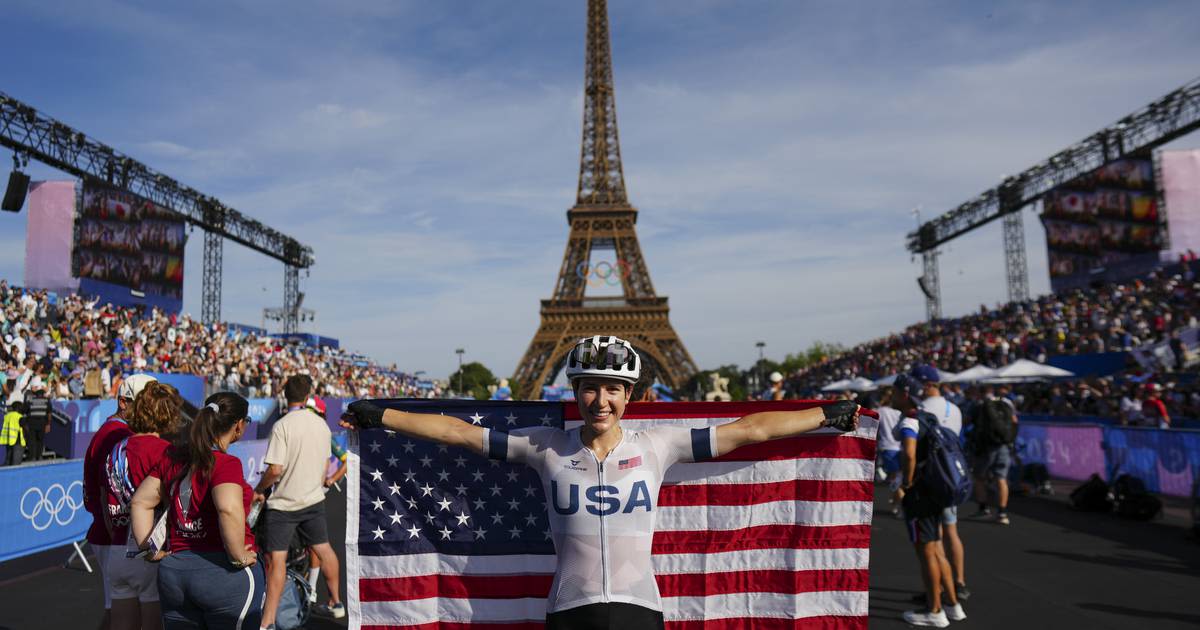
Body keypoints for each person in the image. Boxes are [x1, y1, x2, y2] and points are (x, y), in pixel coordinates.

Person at [341, 335, 863, 629]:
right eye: (590, 390)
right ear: (576, 392)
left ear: (628, 396)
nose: (601, 401)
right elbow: (458, 433)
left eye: (613, 390)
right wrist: (380, 414)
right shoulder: (545, 446)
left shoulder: (658, 446)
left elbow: (748, 430)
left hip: (641, 613)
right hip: (570, 612)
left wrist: (825, 414)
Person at [129, 392, 263, 630]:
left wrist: (148, 549)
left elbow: (140, 501)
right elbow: (228, 509)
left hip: (175, 572)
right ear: (239, 425)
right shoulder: (225, 463)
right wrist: (238, 555)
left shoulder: (173, 458)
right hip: (223, 572)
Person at [254, 375, 344, 626]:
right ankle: (336, 602)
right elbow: (326, 464)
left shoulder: (282, 425)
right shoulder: (321, 425)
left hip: (283, 505)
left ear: (286, 396)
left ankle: (268, 621)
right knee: (324, 549)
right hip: (312, 500)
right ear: (308, 397)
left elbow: (274, 470)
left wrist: (259, 489)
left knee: (277, 561)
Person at [102, 382, 180, 630]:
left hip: (117, 547)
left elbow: (106, 498)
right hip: (150, 548)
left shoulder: (116, 449)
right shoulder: (165, 451)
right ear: (168, 415)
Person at [892, 371, 967, 627]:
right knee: (936, 549)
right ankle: (953, 604)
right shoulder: (930, 417)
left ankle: (935, 611)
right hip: (935, 491)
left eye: (893, 392)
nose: (890, 396)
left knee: (926, 554)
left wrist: (906, 482)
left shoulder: (910, 420)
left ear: (904, 395)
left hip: (920, 495)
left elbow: (910, 453)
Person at [85, 373, 158, 630]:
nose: (151, 410)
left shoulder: (117, 431)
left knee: (124, 612)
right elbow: (108, 495)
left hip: (120, 536)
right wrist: (118, 536)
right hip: (119, 536)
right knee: (122, 615)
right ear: (124, 403)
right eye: (145, 403)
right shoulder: (118, 434)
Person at [912, 365, 969, 601]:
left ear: (925, 384)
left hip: (929, 476)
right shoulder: (954, 408)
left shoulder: (922, 408)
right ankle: (959, 581)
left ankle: (938, 590)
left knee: (933, 540)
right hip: (951, 474)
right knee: (952, 531)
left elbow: (912, 444)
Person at [969, 387, 1017, 525]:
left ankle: (983, 508)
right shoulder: (1007, 403)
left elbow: (969, 422)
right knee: (1001, 478)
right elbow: (1014, 421)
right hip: (1004, 445)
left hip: (985, 447)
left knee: (979, 477)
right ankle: (1002, 512)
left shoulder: (979, 405)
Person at [873, 387, 904, 515]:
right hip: (901, 447)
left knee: (896, 480)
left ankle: (901, 507)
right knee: (897, 478)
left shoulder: (879, 411)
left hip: (888, 448)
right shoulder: (899, 412)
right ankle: (896, 503)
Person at [22, 378, 50, 461]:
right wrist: (48, 424)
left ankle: (32, 457)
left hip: (32, 423)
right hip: (42, 423)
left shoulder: (30, 400)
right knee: (40, 441)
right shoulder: (46, 401)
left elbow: (25, 410)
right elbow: (49, 414)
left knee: (32, 441)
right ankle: (39, 456)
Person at [2, 401, 25, 466]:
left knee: (8, 461)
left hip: (8, 441)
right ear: (18, 408)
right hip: (18, 442)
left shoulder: (7, 416)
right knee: (16, 463)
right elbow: (26, 429)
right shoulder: (19, 416)